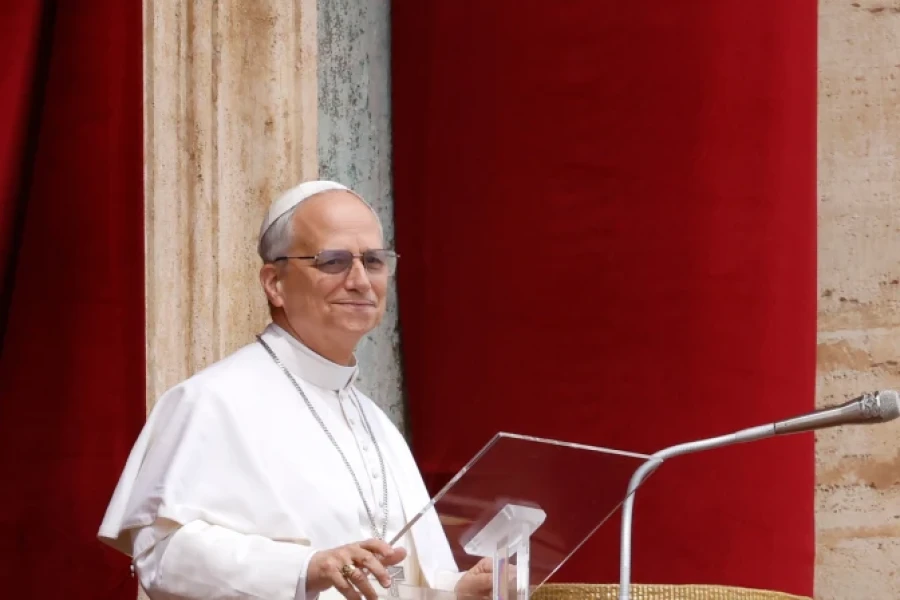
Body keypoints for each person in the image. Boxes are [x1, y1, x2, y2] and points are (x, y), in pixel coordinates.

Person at [98, 181, 494, 600]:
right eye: (334, 261)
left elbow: (394, 582)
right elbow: (162, 555)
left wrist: (456, 590)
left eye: (374, 261)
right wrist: (306, 568)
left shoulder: (376, 423)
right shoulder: (210, 400)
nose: (361, 281)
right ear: (275, 283)